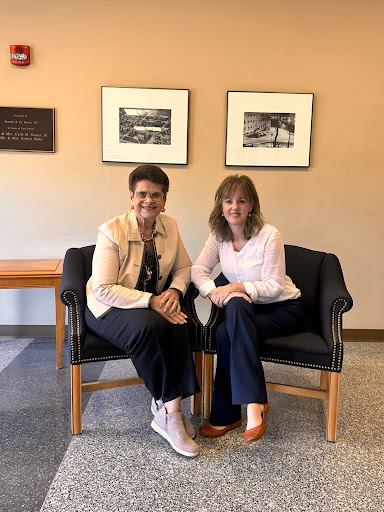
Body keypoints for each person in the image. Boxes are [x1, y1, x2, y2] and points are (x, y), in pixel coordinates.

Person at [85, 164, 200, 457]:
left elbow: (185, 267)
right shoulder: (111, 230)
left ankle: (169, 411)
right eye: (142, 194)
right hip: (107, 307)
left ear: (165, 199)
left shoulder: (170, 225)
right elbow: (103, 289)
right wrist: (152, 301)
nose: (148, 201)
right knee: (149, 327)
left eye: (156, 195)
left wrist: (173, 291)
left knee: (179, 322)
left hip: (151, 304)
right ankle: (167, 408)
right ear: (131, 196)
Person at [191, 175, 303, 443]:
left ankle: (232, 413)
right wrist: (214, 291)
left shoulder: (269, 235)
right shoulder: (219, 236)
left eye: (242, 200)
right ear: (221, 206)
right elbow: (198, 270)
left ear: (251, 205)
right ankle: (251, 406)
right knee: (233, 313)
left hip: (282, 309)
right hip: (247, 311)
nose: (234, 207)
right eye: (229, 201)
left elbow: (275, 286)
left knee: (225, 332)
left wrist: (236, 287)